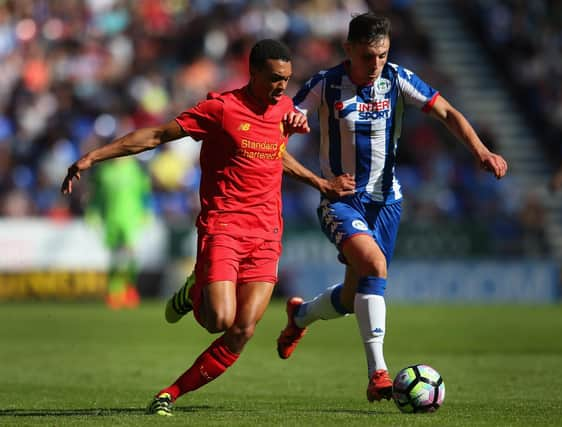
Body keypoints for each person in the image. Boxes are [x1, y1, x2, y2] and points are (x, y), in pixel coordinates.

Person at [61, 39, 353, 416]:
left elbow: (275, 155)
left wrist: (322, 184)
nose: (282, 87)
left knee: (243, 329)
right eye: (274, 78)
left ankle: (170, 393)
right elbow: (156, 136)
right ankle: (194, 289)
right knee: (219, 319)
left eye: (286, 79)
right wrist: (92, 157)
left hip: (267, 234)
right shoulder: (221, 108)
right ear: (254, 73)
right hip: (225, 226)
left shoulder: (283, 108)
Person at [277, 12, 508, 404]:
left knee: (354, 297)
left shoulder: (397, 78)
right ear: (348, 49)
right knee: (375, 268)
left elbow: (447, 111)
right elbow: (281, 126)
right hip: (340, 199)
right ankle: (378, 374)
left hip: (388, 202)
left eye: (382, 55)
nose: (375, 64)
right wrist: (295, 136)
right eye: (368, 56)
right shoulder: (326, 84)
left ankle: (300, 316)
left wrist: (480, 151)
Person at [86, 156, 151, 309]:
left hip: (132, 219)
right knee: (115, 258)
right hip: (111, 219)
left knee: (132, 256)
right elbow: (95, 195)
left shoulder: (136, 169)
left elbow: (145, 194)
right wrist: (93, 212)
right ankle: (114, 292)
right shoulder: (103, 171)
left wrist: (147, 212)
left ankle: (130, 288)